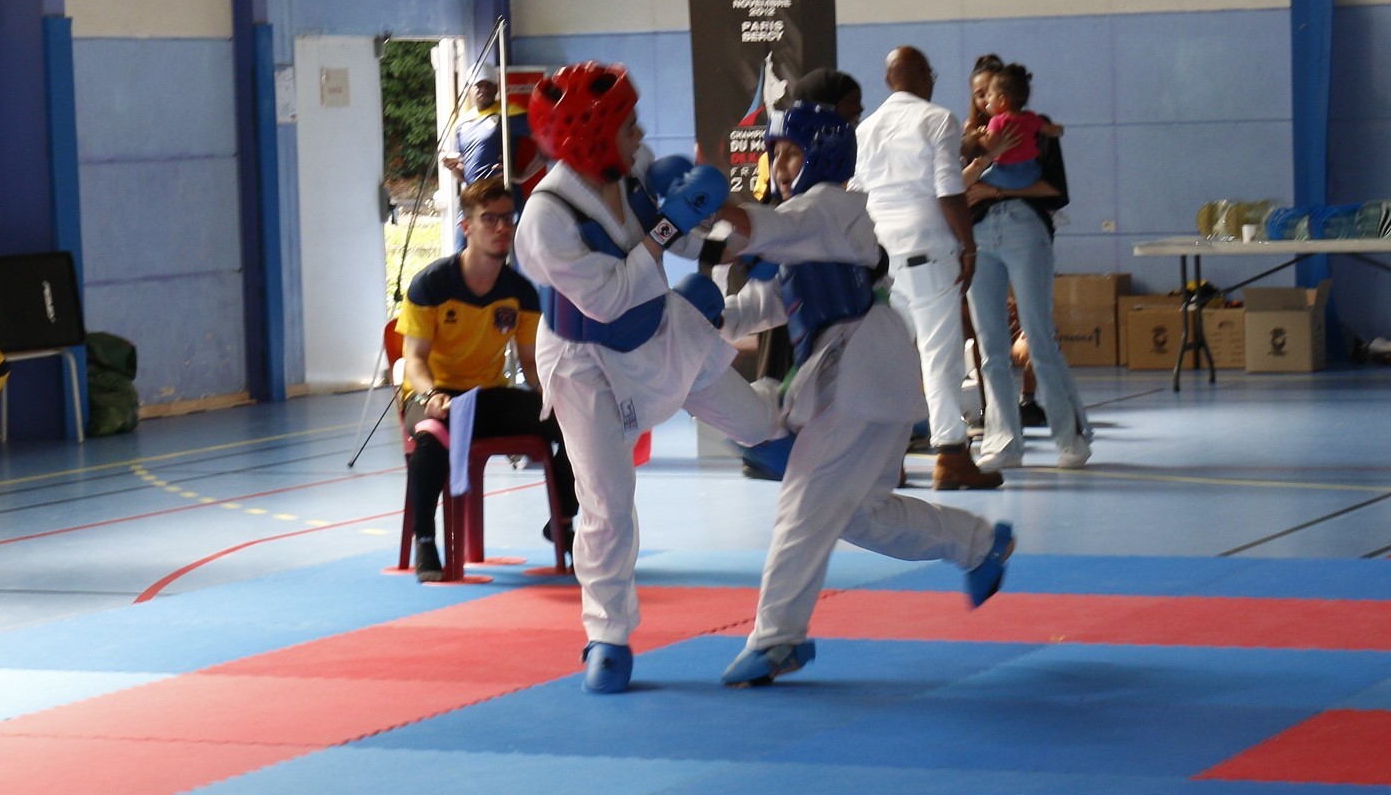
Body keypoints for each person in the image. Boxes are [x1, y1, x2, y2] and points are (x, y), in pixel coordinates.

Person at [708, 103, 1014, 686]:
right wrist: (710, 317)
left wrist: (698, 216)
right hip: (870, 375)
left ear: (821, 158)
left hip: (860, 376)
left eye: (790, 153)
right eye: (775, 154)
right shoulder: (810, 228)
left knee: (804, 505)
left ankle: (777, 639)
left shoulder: (826, 206)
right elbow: (770, 301)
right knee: (859, 515)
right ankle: (979, 544)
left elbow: (758, 230)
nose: (779, 166)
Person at [513, 60, 786, 693]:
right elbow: (609, 299)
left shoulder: (631, 168)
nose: (640, 133)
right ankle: (607, 637)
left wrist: (736, 245)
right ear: (591, 137)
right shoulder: (546, 218)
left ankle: (785, 423)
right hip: (585, 364)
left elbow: (680, 241)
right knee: (607, 502)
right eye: (628, 124)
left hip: (661, 333)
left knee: (758, 425)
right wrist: (671, 223)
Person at [398, 176, 577, 581]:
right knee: (430, 435)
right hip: (433, 396)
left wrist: (554, 394)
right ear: (466, 226)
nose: (501, 228)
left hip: (487, 398)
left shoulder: (520, 291)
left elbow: (531, 364)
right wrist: (430, 394)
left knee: (574, 422)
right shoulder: (431, 284)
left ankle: (563, 520)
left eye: (507, 219)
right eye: (489, 219)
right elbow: (415, 359)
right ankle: (426, 539)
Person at [852, 47, 994, 490]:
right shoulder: (937, 119)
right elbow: (948, 190)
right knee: (940, 357)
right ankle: (951, 456)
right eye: (930, 71)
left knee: (892, 361)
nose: (933, 79)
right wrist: (969, 247)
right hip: (928, 253)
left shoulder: (866, 128)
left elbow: (856, 191)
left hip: (880, 255)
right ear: (919, 74)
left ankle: (888, 460)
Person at [964, 60, 1092, 470]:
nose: (985, 100)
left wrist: (995, 192)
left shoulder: (1032, 127)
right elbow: (955, 187)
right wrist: (982, 159)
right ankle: (1003, 441)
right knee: (991, 346)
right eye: (978, 94)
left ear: (1005, 96)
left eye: (990, 92)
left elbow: (1053, 188)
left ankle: (1071, 438)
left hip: (1024, 229)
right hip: (978, 238)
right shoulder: (972, 138)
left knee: (1038, 337)